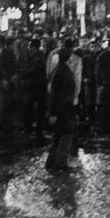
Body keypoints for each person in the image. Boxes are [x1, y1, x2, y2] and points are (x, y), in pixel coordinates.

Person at [46, 43, 78, 172]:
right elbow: (56, 94)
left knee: (58, 136)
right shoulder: (62, 71)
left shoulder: (59, 70)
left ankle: (51, 162)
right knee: (67, 135)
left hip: (62, 108)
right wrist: (54, 113)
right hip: (64, 109)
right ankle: (60, 163)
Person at [23, 38, 48, 138]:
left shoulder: (36, 57)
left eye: (30, 46)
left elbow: (32, 70)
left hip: (35, 86)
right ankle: (38, 128)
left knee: (28, 107)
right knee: (40, 108)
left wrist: (23, 76)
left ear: (33, 47)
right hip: (40, 85)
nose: (29, 48)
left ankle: (30, 129)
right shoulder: (40, 55)